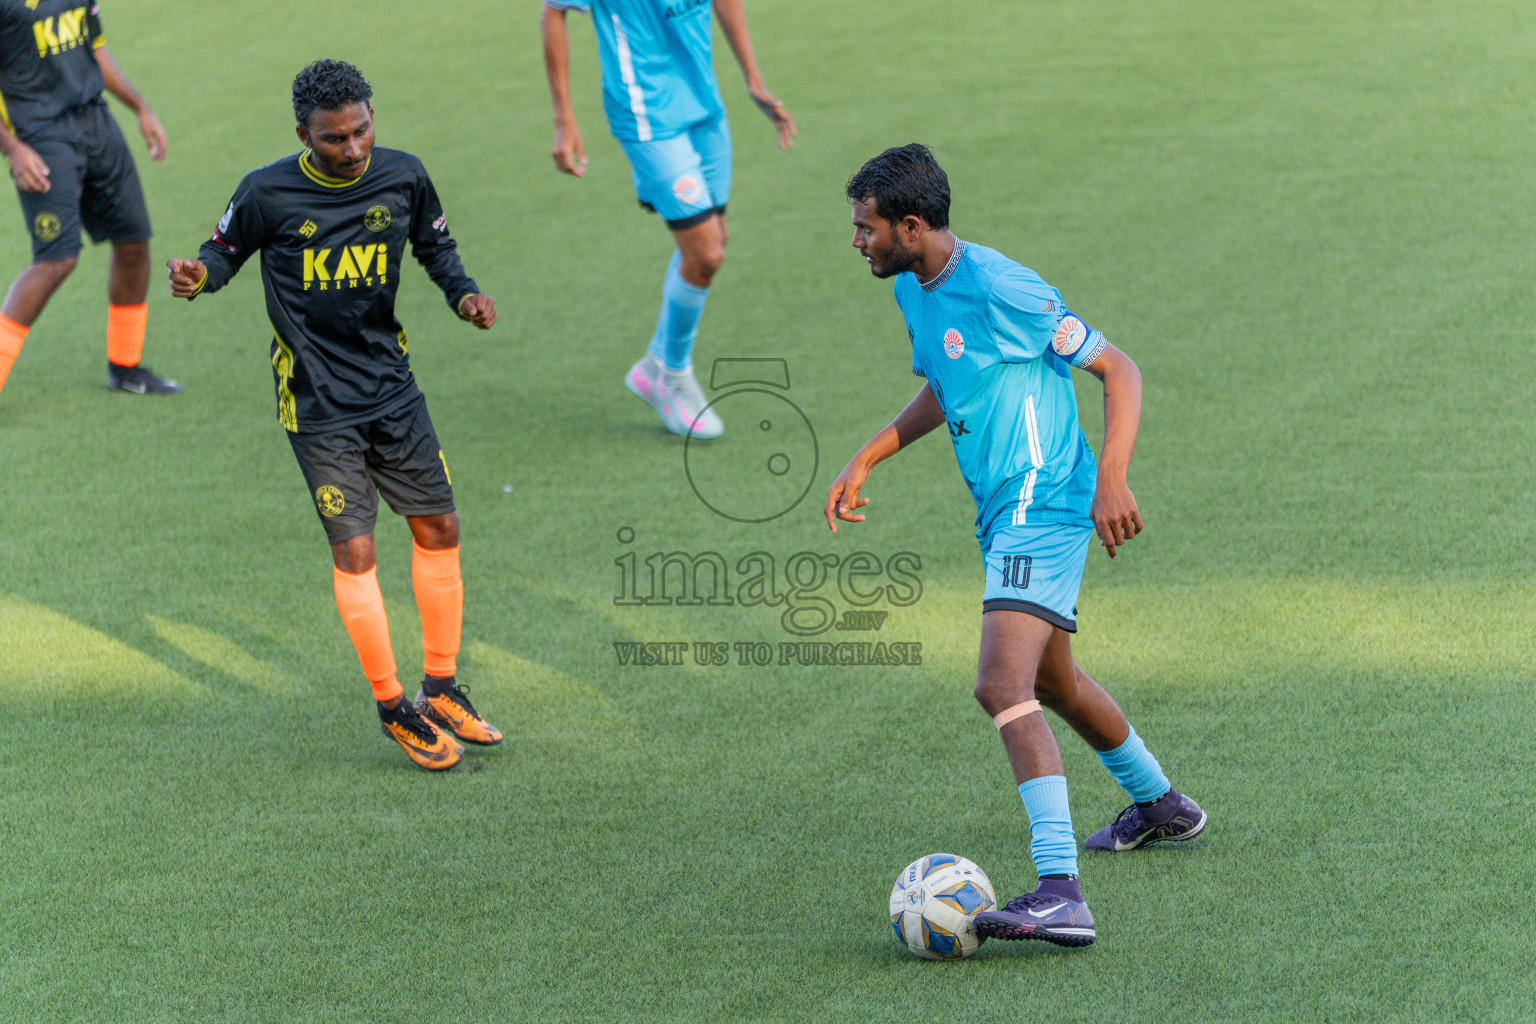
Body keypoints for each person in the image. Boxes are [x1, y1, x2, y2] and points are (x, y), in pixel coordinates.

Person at [827, 144, 1206, 947]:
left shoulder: (1002, 286)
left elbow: (1119, 368)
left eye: (866, 229)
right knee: (1054, 683)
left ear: (913, 225)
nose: (857, 241)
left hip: (1048, 503)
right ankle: (1161, 806)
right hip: (1003, 513)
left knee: (1000, 685)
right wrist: (870, 453)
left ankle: (1060, 888)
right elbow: (945, 381)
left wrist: (1113, 477)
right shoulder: (914, 289)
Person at [165, 60, 502, 771]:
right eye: (333, 140)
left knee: (440, 527)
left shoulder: (403, 175)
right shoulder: (267, 191)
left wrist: (463, 294)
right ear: (303, 134)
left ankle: (440, 688)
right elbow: (221, 252)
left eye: (361, 132)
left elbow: (435, 245)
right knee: (356, 550)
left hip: (393, 387)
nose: (352, 151)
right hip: (318, 403)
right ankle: (393, 708)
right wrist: (198, 279)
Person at [540, 0, 795, 439]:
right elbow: (553, 11)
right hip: (646, 113)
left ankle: (658, 366)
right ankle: (671, 373)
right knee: (707, 253)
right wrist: (564, 119)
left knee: (715, 240)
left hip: (703, 101)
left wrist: (753, 77)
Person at [0, 0, 179, 397]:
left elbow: (95, 50)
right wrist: (12, 149)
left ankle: (125, 368)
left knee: (134, 241)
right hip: (41, 136)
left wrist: (140, 107)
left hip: (96, 122)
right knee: (56, 259)